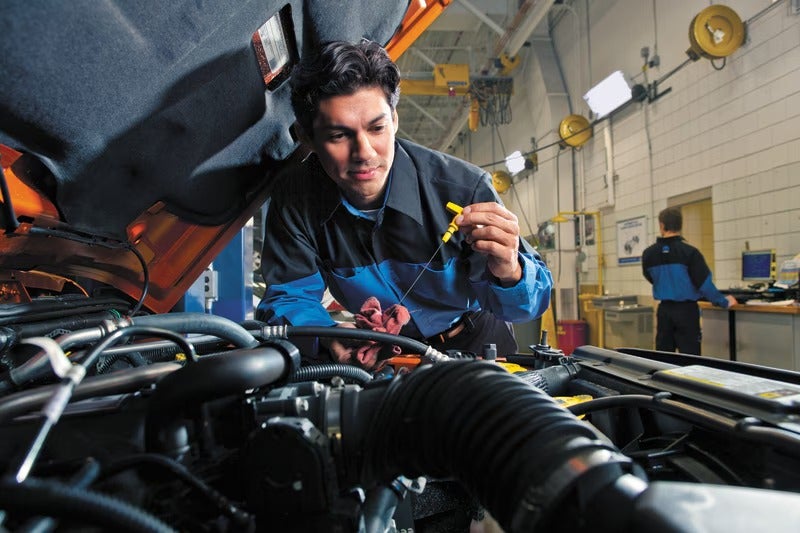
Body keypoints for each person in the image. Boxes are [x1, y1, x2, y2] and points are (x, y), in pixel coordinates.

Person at [255, 40, 553, 369]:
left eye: (377, 128)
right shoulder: (295, 201)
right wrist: (327, 335)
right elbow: (290, 296)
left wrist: (510, 271)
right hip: (378, 354)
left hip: (474, 344)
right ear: (307, 138)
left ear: (394, 120)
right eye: (339, 135)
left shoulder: (464, 188)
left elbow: (528, 306)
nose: (364, 152)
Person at [642, 207, 737, 355]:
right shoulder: (690, 253)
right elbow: (705, 285)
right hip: (687, 312)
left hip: (664, 311)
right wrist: (724, 301)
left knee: (663, 357)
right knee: (690, 358)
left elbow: (650, 277)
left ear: (661, 225)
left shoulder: (648, 254)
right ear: (680, 225)